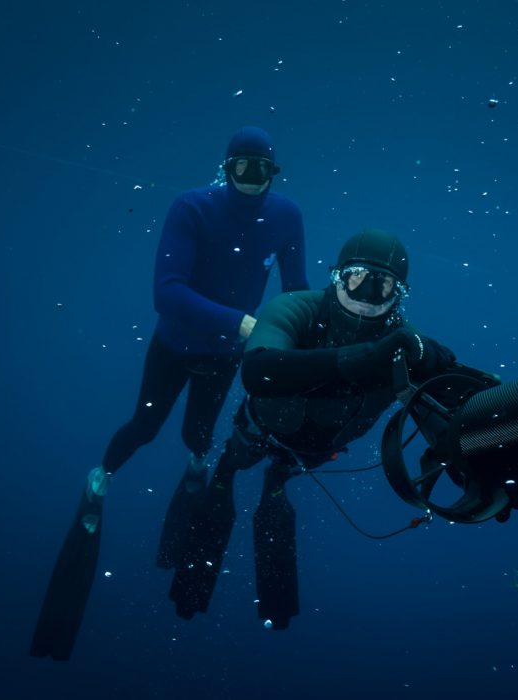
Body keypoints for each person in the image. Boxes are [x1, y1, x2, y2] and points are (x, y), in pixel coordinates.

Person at [31, 126, 309, 660]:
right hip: (177, 347)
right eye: (240, 169)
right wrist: (246, 325)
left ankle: (194, 473)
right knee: (145, 426)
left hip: (223, 356)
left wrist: (306, 342)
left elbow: (296, 292)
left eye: (261, 172)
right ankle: (101, 479)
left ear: (275, 175)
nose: (250, 181)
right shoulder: (192, 208)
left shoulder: (287, 216)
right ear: (224, 169)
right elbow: (167, 293)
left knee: (199, 437)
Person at [166, 228, 456, 629]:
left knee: (277, 483)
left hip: (315, 453)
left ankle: (274, 485)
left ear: (398, 292)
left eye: (382, 283)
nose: (367, 295)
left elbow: (455, 396)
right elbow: (259, 372)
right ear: (337, 276)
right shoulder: (295, 309)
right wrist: (363, 357)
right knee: (230, 471)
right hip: (258, 431)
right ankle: (200, 552)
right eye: (357, 277)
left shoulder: (404, 344)